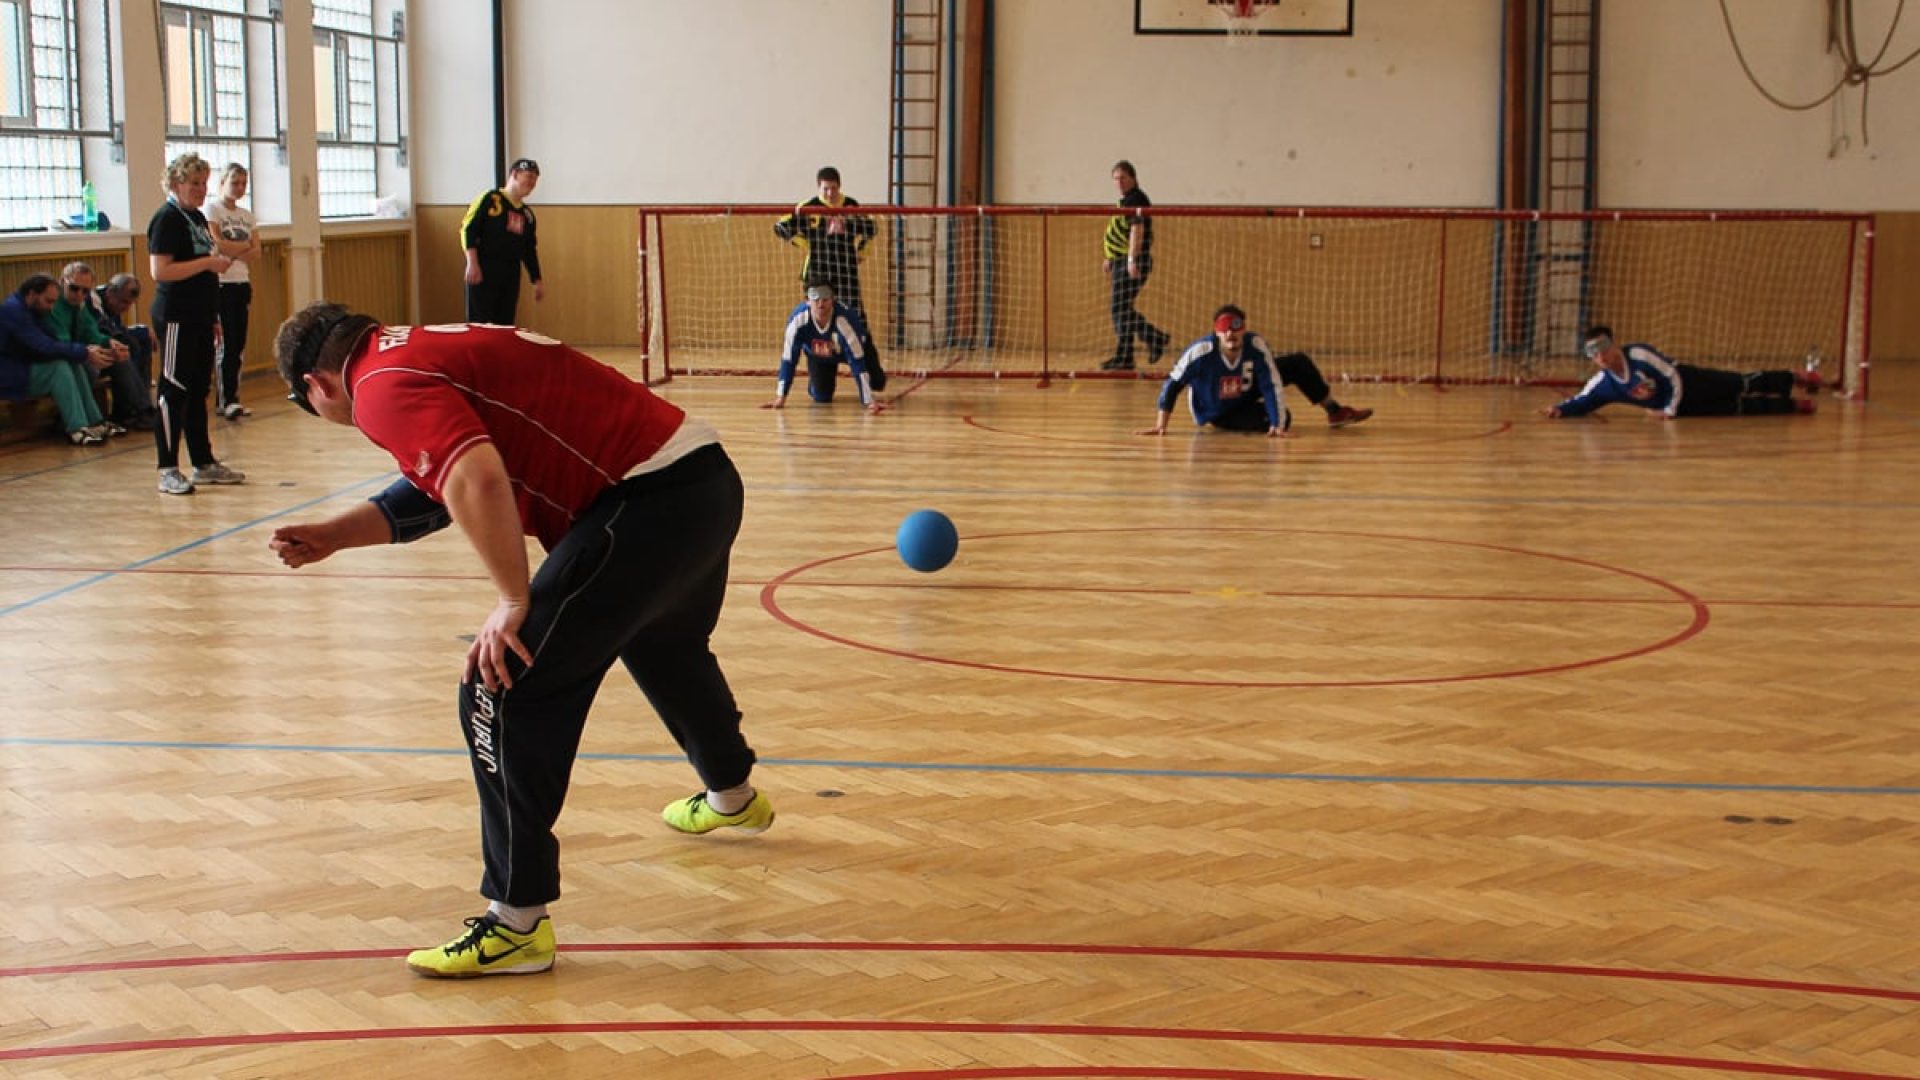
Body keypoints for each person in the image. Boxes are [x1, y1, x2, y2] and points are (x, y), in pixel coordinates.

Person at [268, 306, 770, 979]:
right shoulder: (416, 349)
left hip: (643, 503)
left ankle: (515, 921)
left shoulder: (378, 386)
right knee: (665, 643)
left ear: (316, 384)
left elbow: (473, 478)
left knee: (500, 682)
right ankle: (732, 798)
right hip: (703, 480)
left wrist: (512, 599)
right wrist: (336, 533)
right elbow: (437, 487)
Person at [147, 152, 244, 495]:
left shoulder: (197, 218)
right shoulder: (167, 219)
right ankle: (168, 467)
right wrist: (206, 263)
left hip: (201, 315)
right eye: (194, 183)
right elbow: (161, 271)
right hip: (176, 315)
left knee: (199, 389)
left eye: (204, 183)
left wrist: (213, 316)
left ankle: (203, 462)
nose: (201, 190)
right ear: (176, 184)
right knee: (174, 390)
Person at [1138, 305, 1374, 437]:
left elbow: (1271, 383)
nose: (1230, 334)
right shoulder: (1200, 353)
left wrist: (1277, 424)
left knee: (1297, 363)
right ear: (1216, 333)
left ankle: (1334, 411)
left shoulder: (1255, 346)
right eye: (1224, 329)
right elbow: (1173, 384)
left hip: (1245, 388)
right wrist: (1161, 425)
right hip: (1217, 408)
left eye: (1236, 327)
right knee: (1283, 419)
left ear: (1244, 329)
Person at [1542, 326, 1820, 420]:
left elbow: (1671, 377)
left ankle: (1793, 377)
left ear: (1614, 343)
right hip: (1677, 409)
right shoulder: (1604, 384)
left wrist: (1669, 409)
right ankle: (1793, 406)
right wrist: (1560, 410)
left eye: (1603, 347)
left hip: (1690, 383)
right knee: (1737, 409)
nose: (1600, 356)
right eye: (1593, 352)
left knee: (1742, 384)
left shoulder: (1638, 355)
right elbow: (1583, 400)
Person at [773, 166, 882, 376]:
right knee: (818, 319)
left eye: (833, 189)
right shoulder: (808, 207)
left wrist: (862, 252)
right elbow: (781, 227)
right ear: (818, 188)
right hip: (817, 273)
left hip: (846, 272)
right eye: (825, 189)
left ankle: (869, 371)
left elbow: (871, 230)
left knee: (856, 319)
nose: (829, 194)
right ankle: (821, 370)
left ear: (839, 187)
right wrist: (805, 245)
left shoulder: (851, 206)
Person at [0, 274, 118, 445]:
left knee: (71, 362)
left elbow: (50, 340)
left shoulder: (28, 309)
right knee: (58, 368)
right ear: (32, 293)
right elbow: (42, 346)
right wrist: (84, 351)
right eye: (48, 301)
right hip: (8, 373)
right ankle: (77, 428)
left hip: (21, 367)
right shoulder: (13, 312)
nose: (51, 307)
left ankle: (95, 421)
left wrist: (84, 351)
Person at [763, 279, 886, 414]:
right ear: (807, 301)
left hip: (855, 350)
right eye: (815, 299)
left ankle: (873, 381)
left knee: (878, 383)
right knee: (821, 396)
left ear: (833, 299)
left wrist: (868, 401)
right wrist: (781, 397)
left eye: (825, 299)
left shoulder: (844, 321)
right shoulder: (797, 322)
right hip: (820, 355)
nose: (821, 304)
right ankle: (815, 382)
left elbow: (857, 360)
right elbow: (788, 360)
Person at [1099, 160, 1171, 372]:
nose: (1119, 182)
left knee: (1119, 308)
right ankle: (1126, 356)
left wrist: (1131, 259)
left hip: (1134, 261)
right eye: (1115, 178)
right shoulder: (1125, 201)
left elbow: (1136, 231)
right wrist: (1110, 256)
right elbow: (1119, 231)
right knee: (1121, 309)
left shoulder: (1136, 199)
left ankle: (1154, 338)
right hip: (1121, 259)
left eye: (1123, 178)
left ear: (1133, 178)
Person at [47, 262, 131, 436]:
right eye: (74, 288)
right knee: (82, 367)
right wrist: (87, 351)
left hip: (70, 353)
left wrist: (109, 343)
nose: (79, 295)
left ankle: (97, 419)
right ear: (62, 281)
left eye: (85, 291)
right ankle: (76, 422)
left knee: (115, 358)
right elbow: (60, 342)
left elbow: (90, 331)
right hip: (50, 357)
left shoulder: (80, 305)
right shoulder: (53, 305)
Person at [205, 162, 261, 419]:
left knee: (238, 343)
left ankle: (234, 396)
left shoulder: (247, 216)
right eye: (234, 182)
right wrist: (242, 246)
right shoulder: (212, 209)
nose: (239, 188)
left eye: (243, 183)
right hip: (221, 285)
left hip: (241, 284)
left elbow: (256, 252)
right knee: (225, 344)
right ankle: (224, 399)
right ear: (222, 183)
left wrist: (234, 248)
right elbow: (217, 245)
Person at [460, 158, 544, 325]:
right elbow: (468, 229)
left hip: (510, 272)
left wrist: (536, 278)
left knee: (505, 324)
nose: (532, 182)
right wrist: (472, 262)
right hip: (484, 267)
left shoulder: (527, 215)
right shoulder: (490, 198)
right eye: (528, 176)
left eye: (535, 179)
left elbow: (529, 249)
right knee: (480, 323)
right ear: (514, 174)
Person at [94, 273, 159, 430]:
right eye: (123, 302)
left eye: (130, 304)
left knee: (143, 340)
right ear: (110, 292)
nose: (126, 308)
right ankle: (138, 409)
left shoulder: (111, 304)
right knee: (127, 349)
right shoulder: (93, 302)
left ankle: (139, 405)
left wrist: (143, 330)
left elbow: (117, 329)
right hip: (94, 348)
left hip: (108, 343)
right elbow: (104, 332)